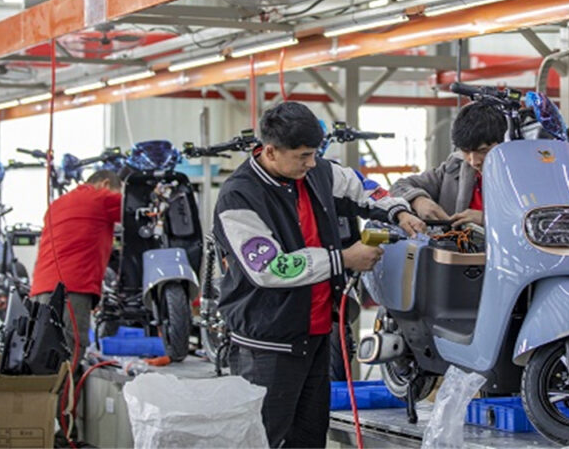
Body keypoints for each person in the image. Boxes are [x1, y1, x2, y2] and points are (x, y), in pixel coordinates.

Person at [214, 102, 425, 448]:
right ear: (270, 151)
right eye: (303, 156)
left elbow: (365, 189)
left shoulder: (319, 172)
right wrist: (344, 259)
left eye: (314, 154)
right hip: (268, 345)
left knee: (310, 439)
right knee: (263, 440)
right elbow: (270, 268)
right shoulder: (239, 196)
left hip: (316, 337)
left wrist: (400, 212)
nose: (311, 163)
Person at [30, 170, 123, 354]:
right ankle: (66, 384)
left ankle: (46, 384)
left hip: (41, 288)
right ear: (105, 184)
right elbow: (132, 208)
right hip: (73, 287)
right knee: (70, 347)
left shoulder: (57, 204)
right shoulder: (100, 198)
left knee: (39, 349)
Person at [391, 100, 507, 228]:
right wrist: (418, 200)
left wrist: (487, 219)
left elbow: (530, 223)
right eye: (466, 151)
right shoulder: (454, 168)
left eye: (483, 151)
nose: (474, 161)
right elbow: (399, 186)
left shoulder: (518, 177)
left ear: (503, 143)